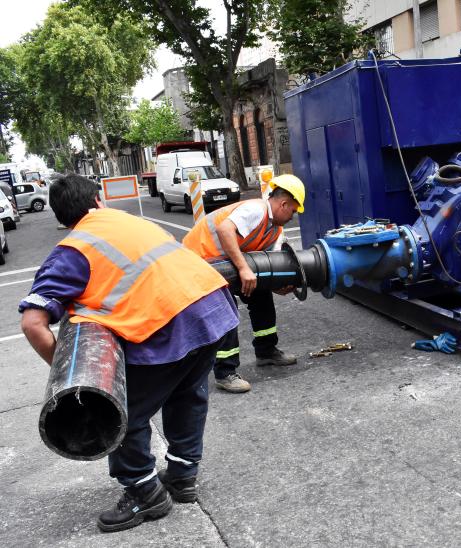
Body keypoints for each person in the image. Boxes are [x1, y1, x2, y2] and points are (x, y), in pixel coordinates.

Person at [19, 174, 238, 533]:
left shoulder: (73, 250)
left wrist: (71, 378)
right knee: (187, 395)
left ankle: (143, 491)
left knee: (119, 414)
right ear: (99, 201)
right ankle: (182, 477)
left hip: (169, 323)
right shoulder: (131, 221)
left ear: (62, 218)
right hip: (213, 307)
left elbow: (33, 323)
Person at [183, 173, 305, 393]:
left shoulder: (275, 231)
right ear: (284, 203)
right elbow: (224, 230)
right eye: (293, 211)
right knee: (226, 307)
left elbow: (267, 268)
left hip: (227, 266)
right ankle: (225, 372)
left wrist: (279, 286)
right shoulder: (256, 209)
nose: (293, 216)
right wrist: (243, 268)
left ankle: (266, 352)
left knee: (261, 294)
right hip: (199, 263)